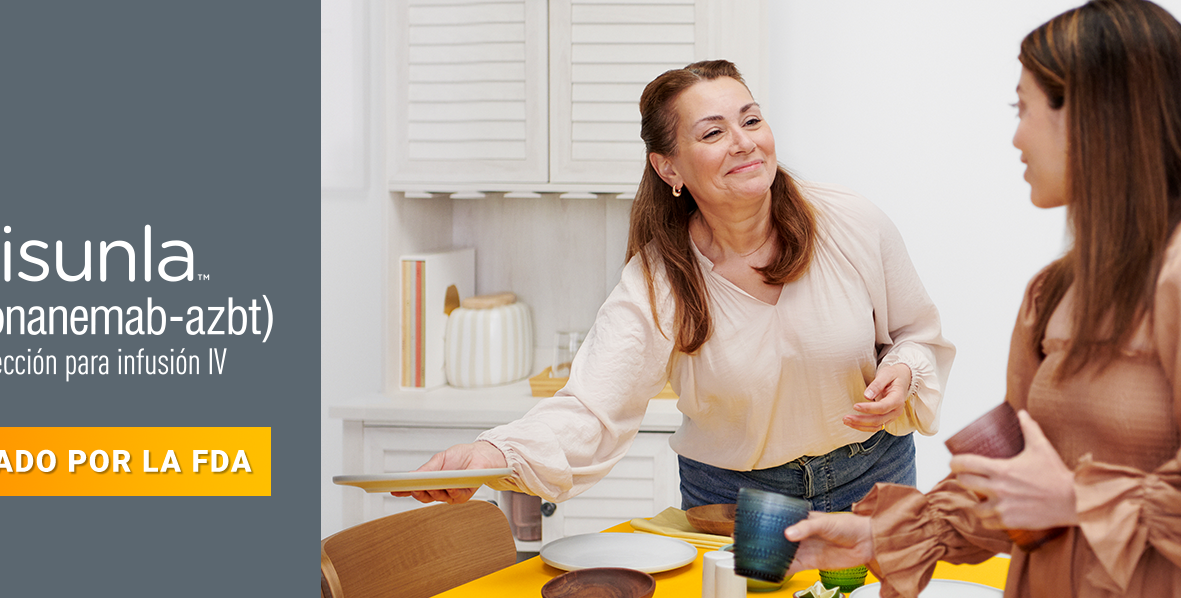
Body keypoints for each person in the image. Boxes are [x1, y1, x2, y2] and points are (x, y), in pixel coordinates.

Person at [785, 0, 1181, 598]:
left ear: (1096, 115)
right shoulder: (1053, 292)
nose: (1016, 138)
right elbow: (1015, 487)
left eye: (1025, 109)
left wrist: (1077, 499)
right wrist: (877, 535)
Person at [396, 60, 954, 514]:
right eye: (713, 132)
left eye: (751, 120)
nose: (743, 143)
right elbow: (592, 408)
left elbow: (916, 335)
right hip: (736, 502)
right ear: (670, 170)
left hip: (875, 476)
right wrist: (493, 452)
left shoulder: (850, 221)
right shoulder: (659, 279)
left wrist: (903, 370)